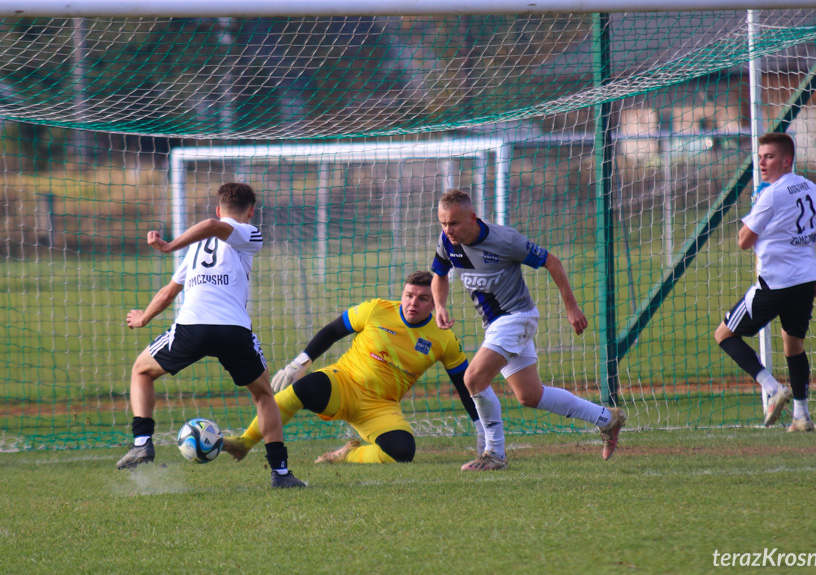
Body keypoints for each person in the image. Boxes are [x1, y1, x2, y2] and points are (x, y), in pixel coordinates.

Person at [117, 182, 304, 489]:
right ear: (251, 211)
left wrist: (144, 317)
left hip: (192, 327)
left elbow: (171, 288)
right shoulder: (250, 232)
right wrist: (169, 248)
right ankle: (281, 474)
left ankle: (142, 442)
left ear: (219, 208)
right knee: (264, 395)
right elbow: (208, 234)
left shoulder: (201, 243)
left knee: (142, 371)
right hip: (233, 330)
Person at [431, 189, 626, 471]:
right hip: (496, 325)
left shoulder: (505, 240)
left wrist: (571, 307)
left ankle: (494, 454)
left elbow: (552, 261)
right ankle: (607, 419)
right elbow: (439, 274)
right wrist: (439, 306)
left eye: (454, 223)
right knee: (530, 396)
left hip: (517, 318)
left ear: (472, 217)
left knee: (472, 378)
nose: (448, 230)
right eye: (443, 223)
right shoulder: (447, 242)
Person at [222, 271, 490, 465]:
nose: (413, 303)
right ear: (402, 294)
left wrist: (481, 427)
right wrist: (299, 363)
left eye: (422, 298)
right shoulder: (376, 310)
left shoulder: (444, 339)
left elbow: (465, 384)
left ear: (434, 303)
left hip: (381, 406)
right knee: (303, 389)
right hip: (344, 383)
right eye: (409, 295)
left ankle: (347, 454)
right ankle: (243, 442)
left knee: (402, 453)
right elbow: (332, 331)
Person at [714, 133, 816, 432]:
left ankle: (771, 387)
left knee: (724, 335)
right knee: (793, 346)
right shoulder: (812, 188)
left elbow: (743, 242)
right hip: (804, 282)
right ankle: (801, 416)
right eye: (759, 156)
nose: (761, 161)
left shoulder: (771, 194)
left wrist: (757, 209)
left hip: (775, 282)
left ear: (787, 160)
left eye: (769, 156)